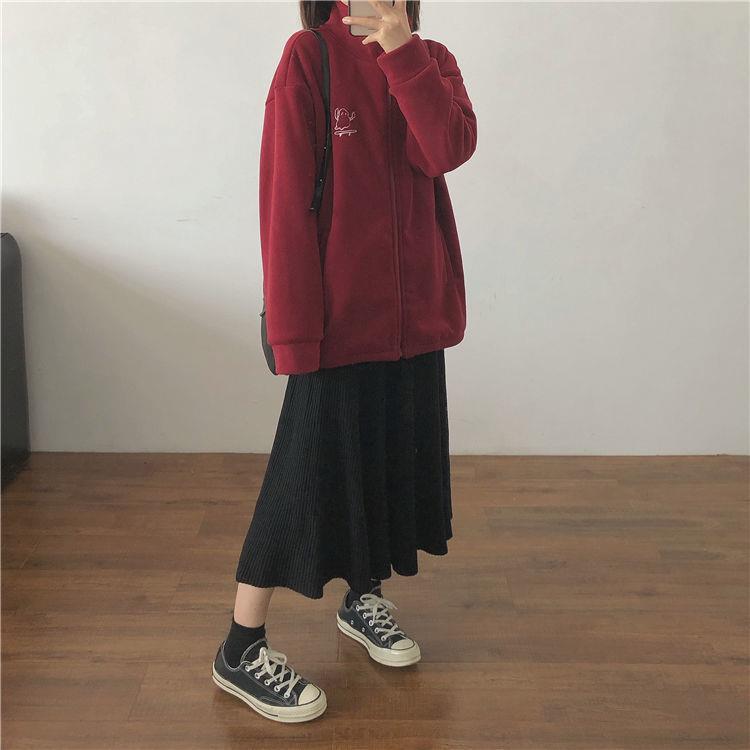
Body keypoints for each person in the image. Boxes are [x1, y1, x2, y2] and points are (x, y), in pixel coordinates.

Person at [211, 0, 477, 723]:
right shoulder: (309, 58)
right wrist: (295, 332)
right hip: (337, 326)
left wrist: (402, 55)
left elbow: (444, 150)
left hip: (415, 323)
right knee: (300, 475)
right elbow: (284, 203)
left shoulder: (432, 60)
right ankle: (240, 646)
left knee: (386, 464)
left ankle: (364, 598)